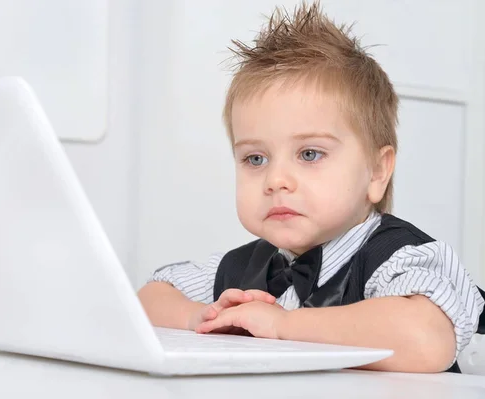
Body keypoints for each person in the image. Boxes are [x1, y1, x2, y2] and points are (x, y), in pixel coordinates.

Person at [137, 1, 485, 373]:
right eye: (256, 159)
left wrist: (282, 325)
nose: (276, 180)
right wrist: (202, 318)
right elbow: (146, 301)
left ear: (376, 173)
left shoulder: (400, 258)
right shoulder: (243, 268)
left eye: (309, 154)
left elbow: (424, 339)